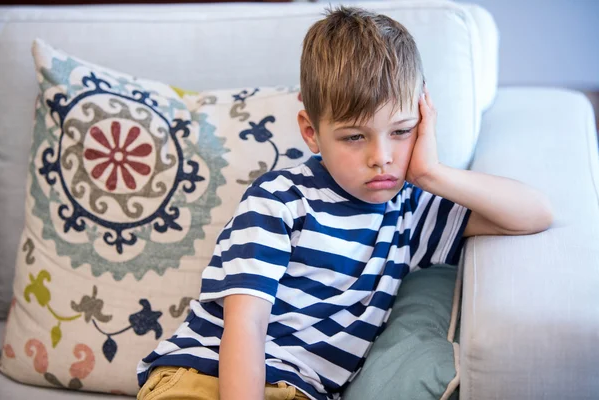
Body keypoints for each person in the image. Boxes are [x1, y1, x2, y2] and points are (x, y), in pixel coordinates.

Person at [136, 6, 553, 400]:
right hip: (205, 375)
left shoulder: (412, 213)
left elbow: (534, 214)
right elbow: (246, 325)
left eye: (402, 131)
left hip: (299, 390)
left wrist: (432, 174)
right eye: (355, 137)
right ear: (312, 132)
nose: (381, 157)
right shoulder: (278, 201)